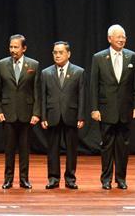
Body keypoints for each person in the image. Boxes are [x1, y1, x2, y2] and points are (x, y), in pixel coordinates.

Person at [90, 24, 135, 190]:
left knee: (123, 146)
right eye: (118, 37)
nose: (121, 39)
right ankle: (106, 179)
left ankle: (121, 178)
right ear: (109, 38)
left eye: (123, 37)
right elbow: (94, 86)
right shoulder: (99, 57)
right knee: (106, 146)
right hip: (106, 109)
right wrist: (94, 108)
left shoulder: (132, 56)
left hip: (125, 109)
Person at [0, 34, 40, 189]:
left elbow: (37, 91)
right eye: (11, 47)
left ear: (24, 48)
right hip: (8, 114)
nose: (13, 50)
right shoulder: (1, 64)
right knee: (9, 149)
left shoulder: (33, 65)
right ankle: (8, 179)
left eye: (16, 47)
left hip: (27, 113)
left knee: (25, 149)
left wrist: (36, 113)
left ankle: (24, 179)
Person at [39, 41, 86, 190]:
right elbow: (43, 97)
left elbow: (82, 96)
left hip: (71, 114)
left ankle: (70, 178)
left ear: (68, 54)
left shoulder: (79, 72)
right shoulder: (46, 73)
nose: (57, 55)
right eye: (55, 52)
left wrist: (81, 116)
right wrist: (43, 116)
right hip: (52, 115)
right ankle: (53, 178)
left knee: (72, 149)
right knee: (52, 149)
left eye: (61, 52)